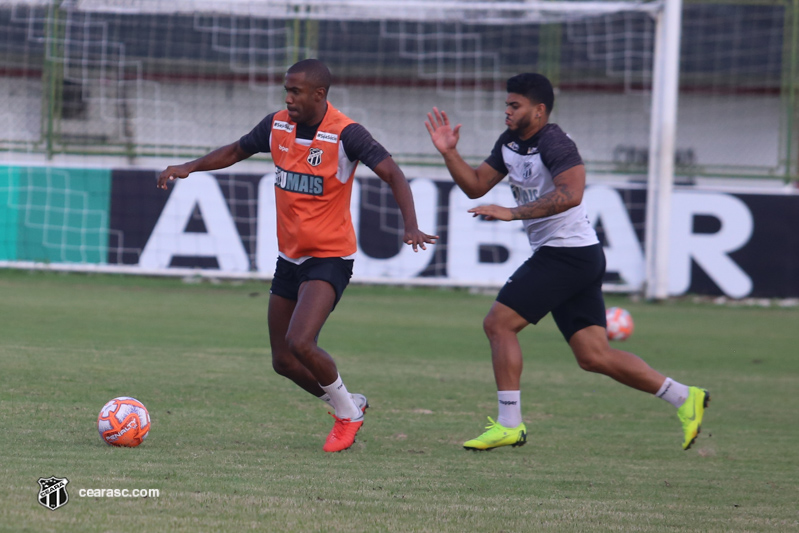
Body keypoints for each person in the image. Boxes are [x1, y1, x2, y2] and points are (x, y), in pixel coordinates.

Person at [159, 59, 438, 453]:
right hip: (289, 258)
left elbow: (393, 173)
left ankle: (348, 416)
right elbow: (237, 150)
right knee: (283, 361)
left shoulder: (347, 134)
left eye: (295, 91)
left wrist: (410, 224)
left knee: (301, 342)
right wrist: (190, 167)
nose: (288, 98)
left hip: (330, 258)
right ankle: (347, 401)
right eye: (286, 90)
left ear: (319, 94)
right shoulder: (276, 125)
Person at [424, 73, 708, 451]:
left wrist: (513, 213)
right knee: (593, 356)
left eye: (515, 105)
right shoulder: (510, 142)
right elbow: (476, 184)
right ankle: (683, 397)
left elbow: (571, 194)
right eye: (507, 104)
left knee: (498, 324)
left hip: (567, 255)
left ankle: (510, 423)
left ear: (538, 111)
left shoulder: (555, 142)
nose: (506, 111)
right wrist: (449, 153)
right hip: (575, 256)